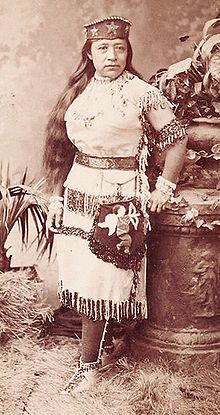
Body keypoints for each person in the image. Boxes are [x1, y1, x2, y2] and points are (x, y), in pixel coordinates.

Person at [43, 16, 188, 392]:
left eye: (119, 48)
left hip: (120, 200)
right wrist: (55, 195)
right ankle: (103, 346)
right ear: (90, 54)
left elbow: (176, 138)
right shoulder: (78, 91)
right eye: (103, 49)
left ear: (128, 51)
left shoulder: (143, 93)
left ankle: (88, 366)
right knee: (83, 278)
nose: (112, 55)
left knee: (102, 281)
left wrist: (165, 186)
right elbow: (61, 150)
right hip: (78, 194)